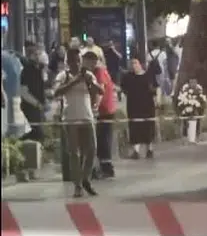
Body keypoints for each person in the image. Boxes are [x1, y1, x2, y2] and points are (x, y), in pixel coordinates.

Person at [53, 51, 101, 197]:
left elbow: (100, 91)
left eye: (78, 60)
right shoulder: (63, 76)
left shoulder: (88, 75)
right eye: (72, 61)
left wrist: (90, 82)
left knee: (92, 149)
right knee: (74, 153)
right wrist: (75, 81)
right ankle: (77, 185)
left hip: (87, 117)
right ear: (67, 62)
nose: (76, 63)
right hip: (70, 119)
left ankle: (86, 178)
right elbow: (57, 92)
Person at [85, 50, 117, 179]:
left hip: (105, 111)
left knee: (103, 139)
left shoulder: (99, 72)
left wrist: (95, 108)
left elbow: (100, 91)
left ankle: (107, 168)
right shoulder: (98, 71)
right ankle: (101, 167)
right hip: (105, 110)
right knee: (101, 139)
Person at [121, 57, 158, 159]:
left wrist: (157, 101)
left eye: (135, 63)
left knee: (148, 127)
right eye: (132, 63)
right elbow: (123, 89)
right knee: (134, 128)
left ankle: (149, 149)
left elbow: (155, 89)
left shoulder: (148, 76)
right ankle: (136, 151)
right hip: (133, 107)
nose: (134, 65)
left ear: (140, 64)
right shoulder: (128, 77)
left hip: (148, 106)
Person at [20, 42, 47, 142]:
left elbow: (42, 86)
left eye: (39, 54)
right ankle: (20, 141)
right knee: (38, 132)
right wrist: (37, 103)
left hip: (39, 105)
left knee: (38, 132)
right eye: (35, 54)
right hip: (30, 106)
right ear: (30, 56)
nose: (38, 56)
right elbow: (23, 92)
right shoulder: (27, 70)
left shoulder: (39, 69)